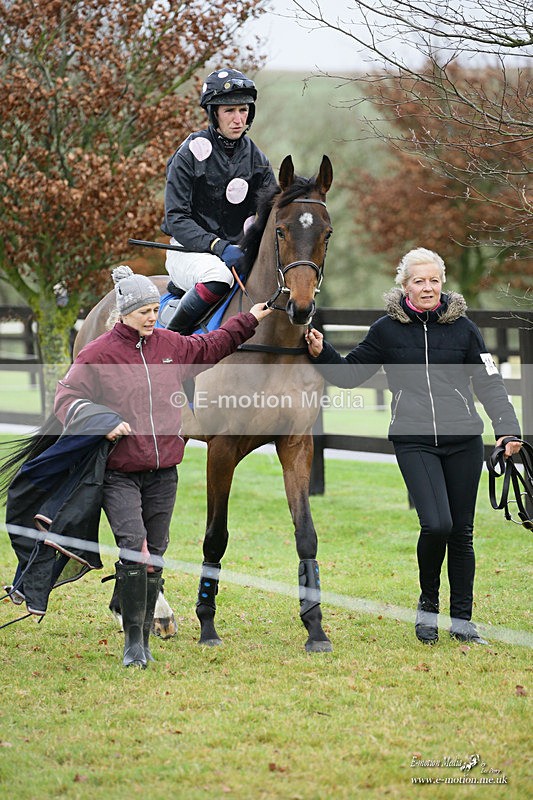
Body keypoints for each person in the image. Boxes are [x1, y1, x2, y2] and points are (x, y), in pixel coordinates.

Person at [54, 266, 272, 668]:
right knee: (134, 549)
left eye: (156, 310)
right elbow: (67, 399)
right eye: (144, 312)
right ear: (124, 313)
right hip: (120, 472)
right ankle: (134, 643)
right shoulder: (98, 354)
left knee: (156, 551)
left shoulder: (170, 344)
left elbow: (212, 345)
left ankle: (138, 622)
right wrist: (102, 422)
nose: (153, 317)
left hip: (163, 471)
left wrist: (249, 320)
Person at [306, 247, 522, 645]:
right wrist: (324, 353)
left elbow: (490, 383)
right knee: (436, 524)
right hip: (413, 439)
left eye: (434, 280)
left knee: (462, 533)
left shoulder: (464, 329)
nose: (428, 287)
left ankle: (461, 621)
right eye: (419, 281)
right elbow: (351, 375)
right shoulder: (387, 329)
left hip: (464, 440)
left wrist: (508, 430)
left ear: (443, 283)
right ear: (405, 286)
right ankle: (427, 606)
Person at [161, 67, 277, 334]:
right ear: (214, 114)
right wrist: (218, 245)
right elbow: (176, 218)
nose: (238, 119)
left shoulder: (257, 160)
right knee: (218, 277)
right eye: (229, 111)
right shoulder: (189, 153)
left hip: (237, 253)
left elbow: (272, 213)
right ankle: (169, 345)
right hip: (188, 252)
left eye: (243, 110)